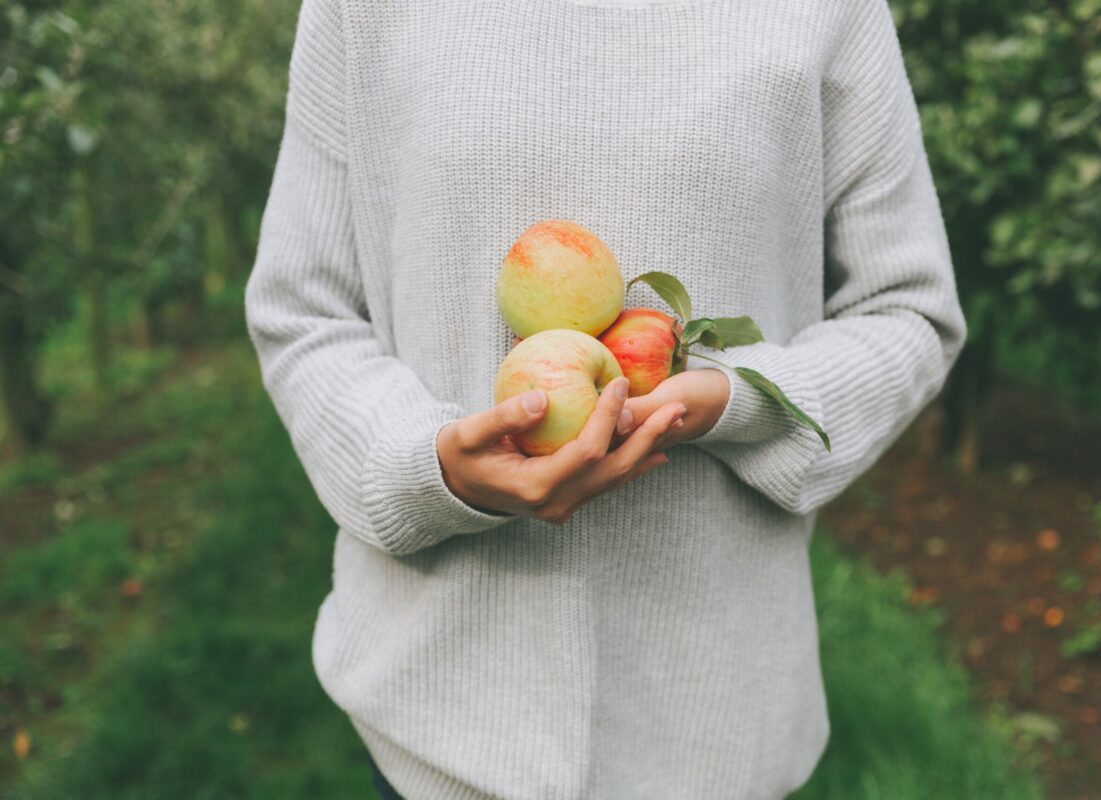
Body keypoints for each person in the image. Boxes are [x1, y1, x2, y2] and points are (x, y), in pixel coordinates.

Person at [244, 0, 967, 796]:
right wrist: (431, 467)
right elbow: (302, 308)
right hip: (441, 720)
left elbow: (909, 312)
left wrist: (739, 401)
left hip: (716, 724)